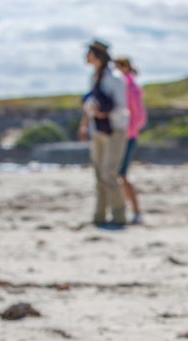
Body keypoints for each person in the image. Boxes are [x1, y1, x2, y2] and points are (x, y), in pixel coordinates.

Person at [78, 40, 130, 228]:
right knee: (99, 174)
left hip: (114, 130)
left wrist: (103, 112)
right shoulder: (94, 77)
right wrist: (85, 124)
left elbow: (122, 107)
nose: (86, 58)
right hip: (97, 130)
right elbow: (90, 103)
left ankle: (119, 216)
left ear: (97, 56)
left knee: (109, 173)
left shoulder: (115, 77)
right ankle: (99, 215)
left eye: (89, 54)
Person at [115, 57, 147, 224]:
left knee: (121, 174)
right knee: (118, 175)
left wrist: (128, 132)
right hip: (121, 135)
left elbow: (140, 116)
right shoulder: (122, 85)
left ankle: (136, 211)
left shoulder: (131, 87)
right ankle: (129, 210)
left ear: (126, 68)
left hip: (128, 136)